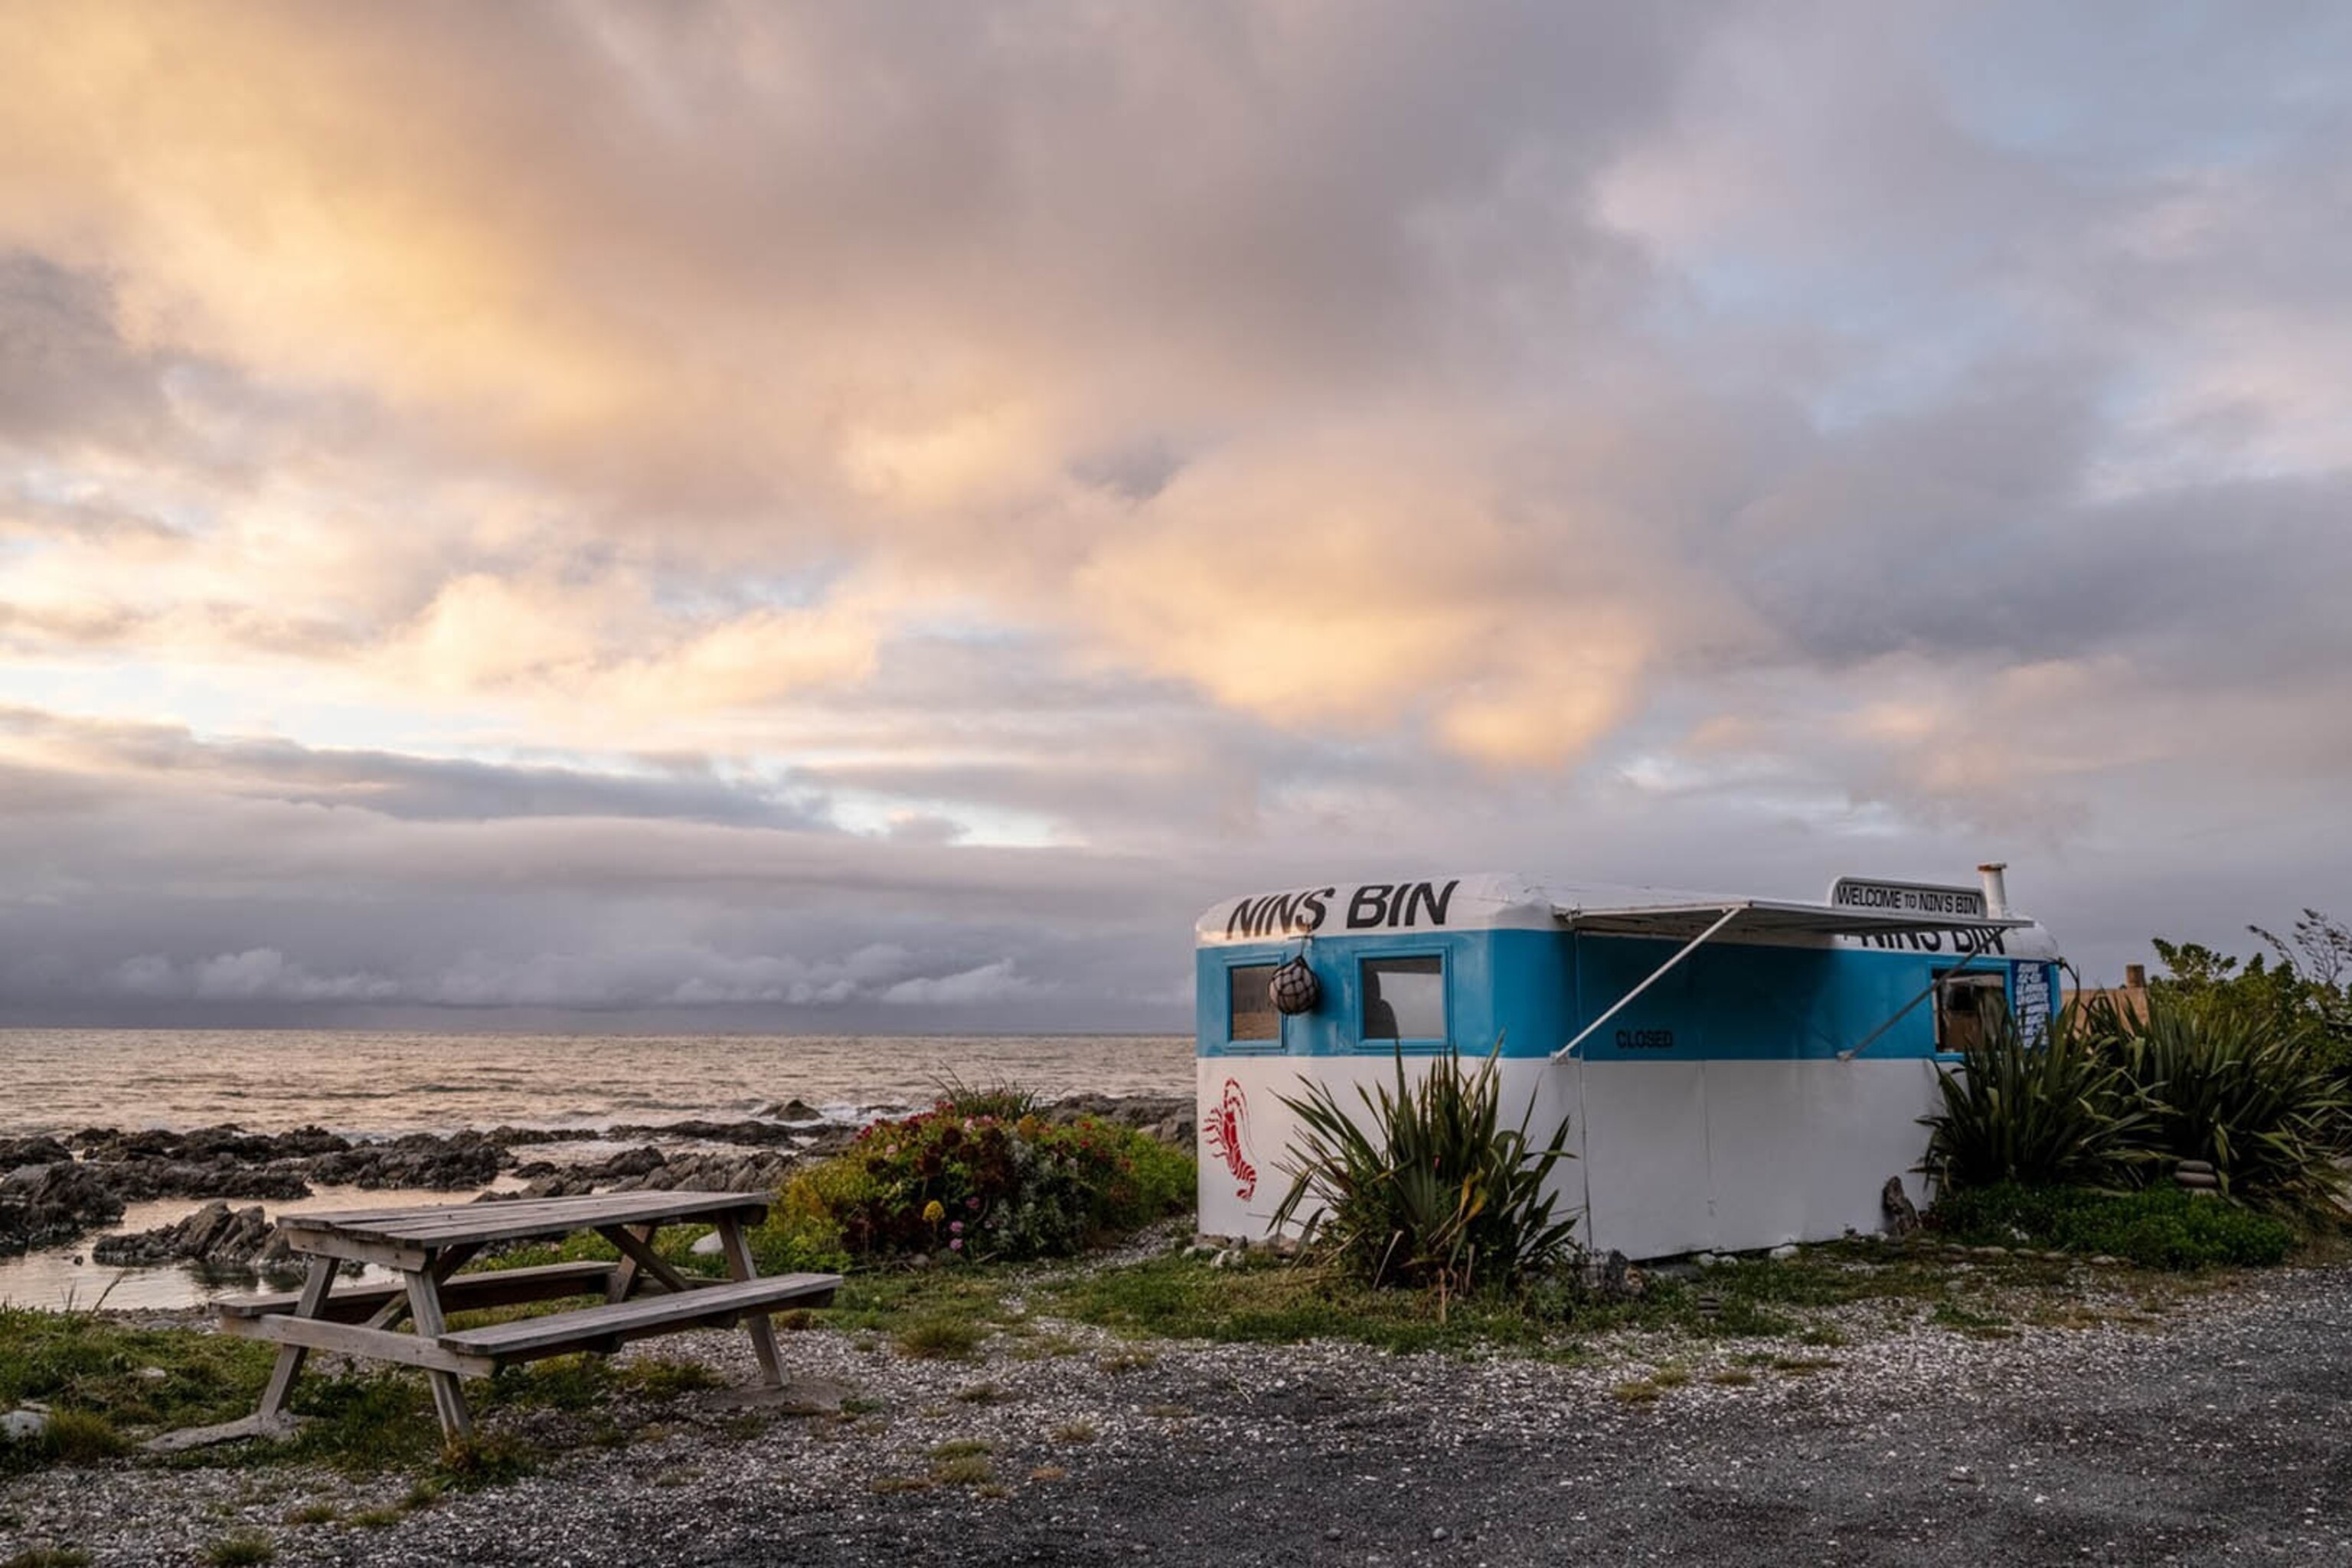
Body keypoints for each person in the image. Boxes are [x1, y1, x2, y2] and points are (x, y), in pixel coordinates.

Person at [1363, 967, 1400, 1040]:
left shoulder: (1383, 1009)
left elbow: (1392, 1041)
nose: (1369, 991)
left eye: (1371, 986)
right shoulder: (1354, 1009)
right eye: (1367, 987)